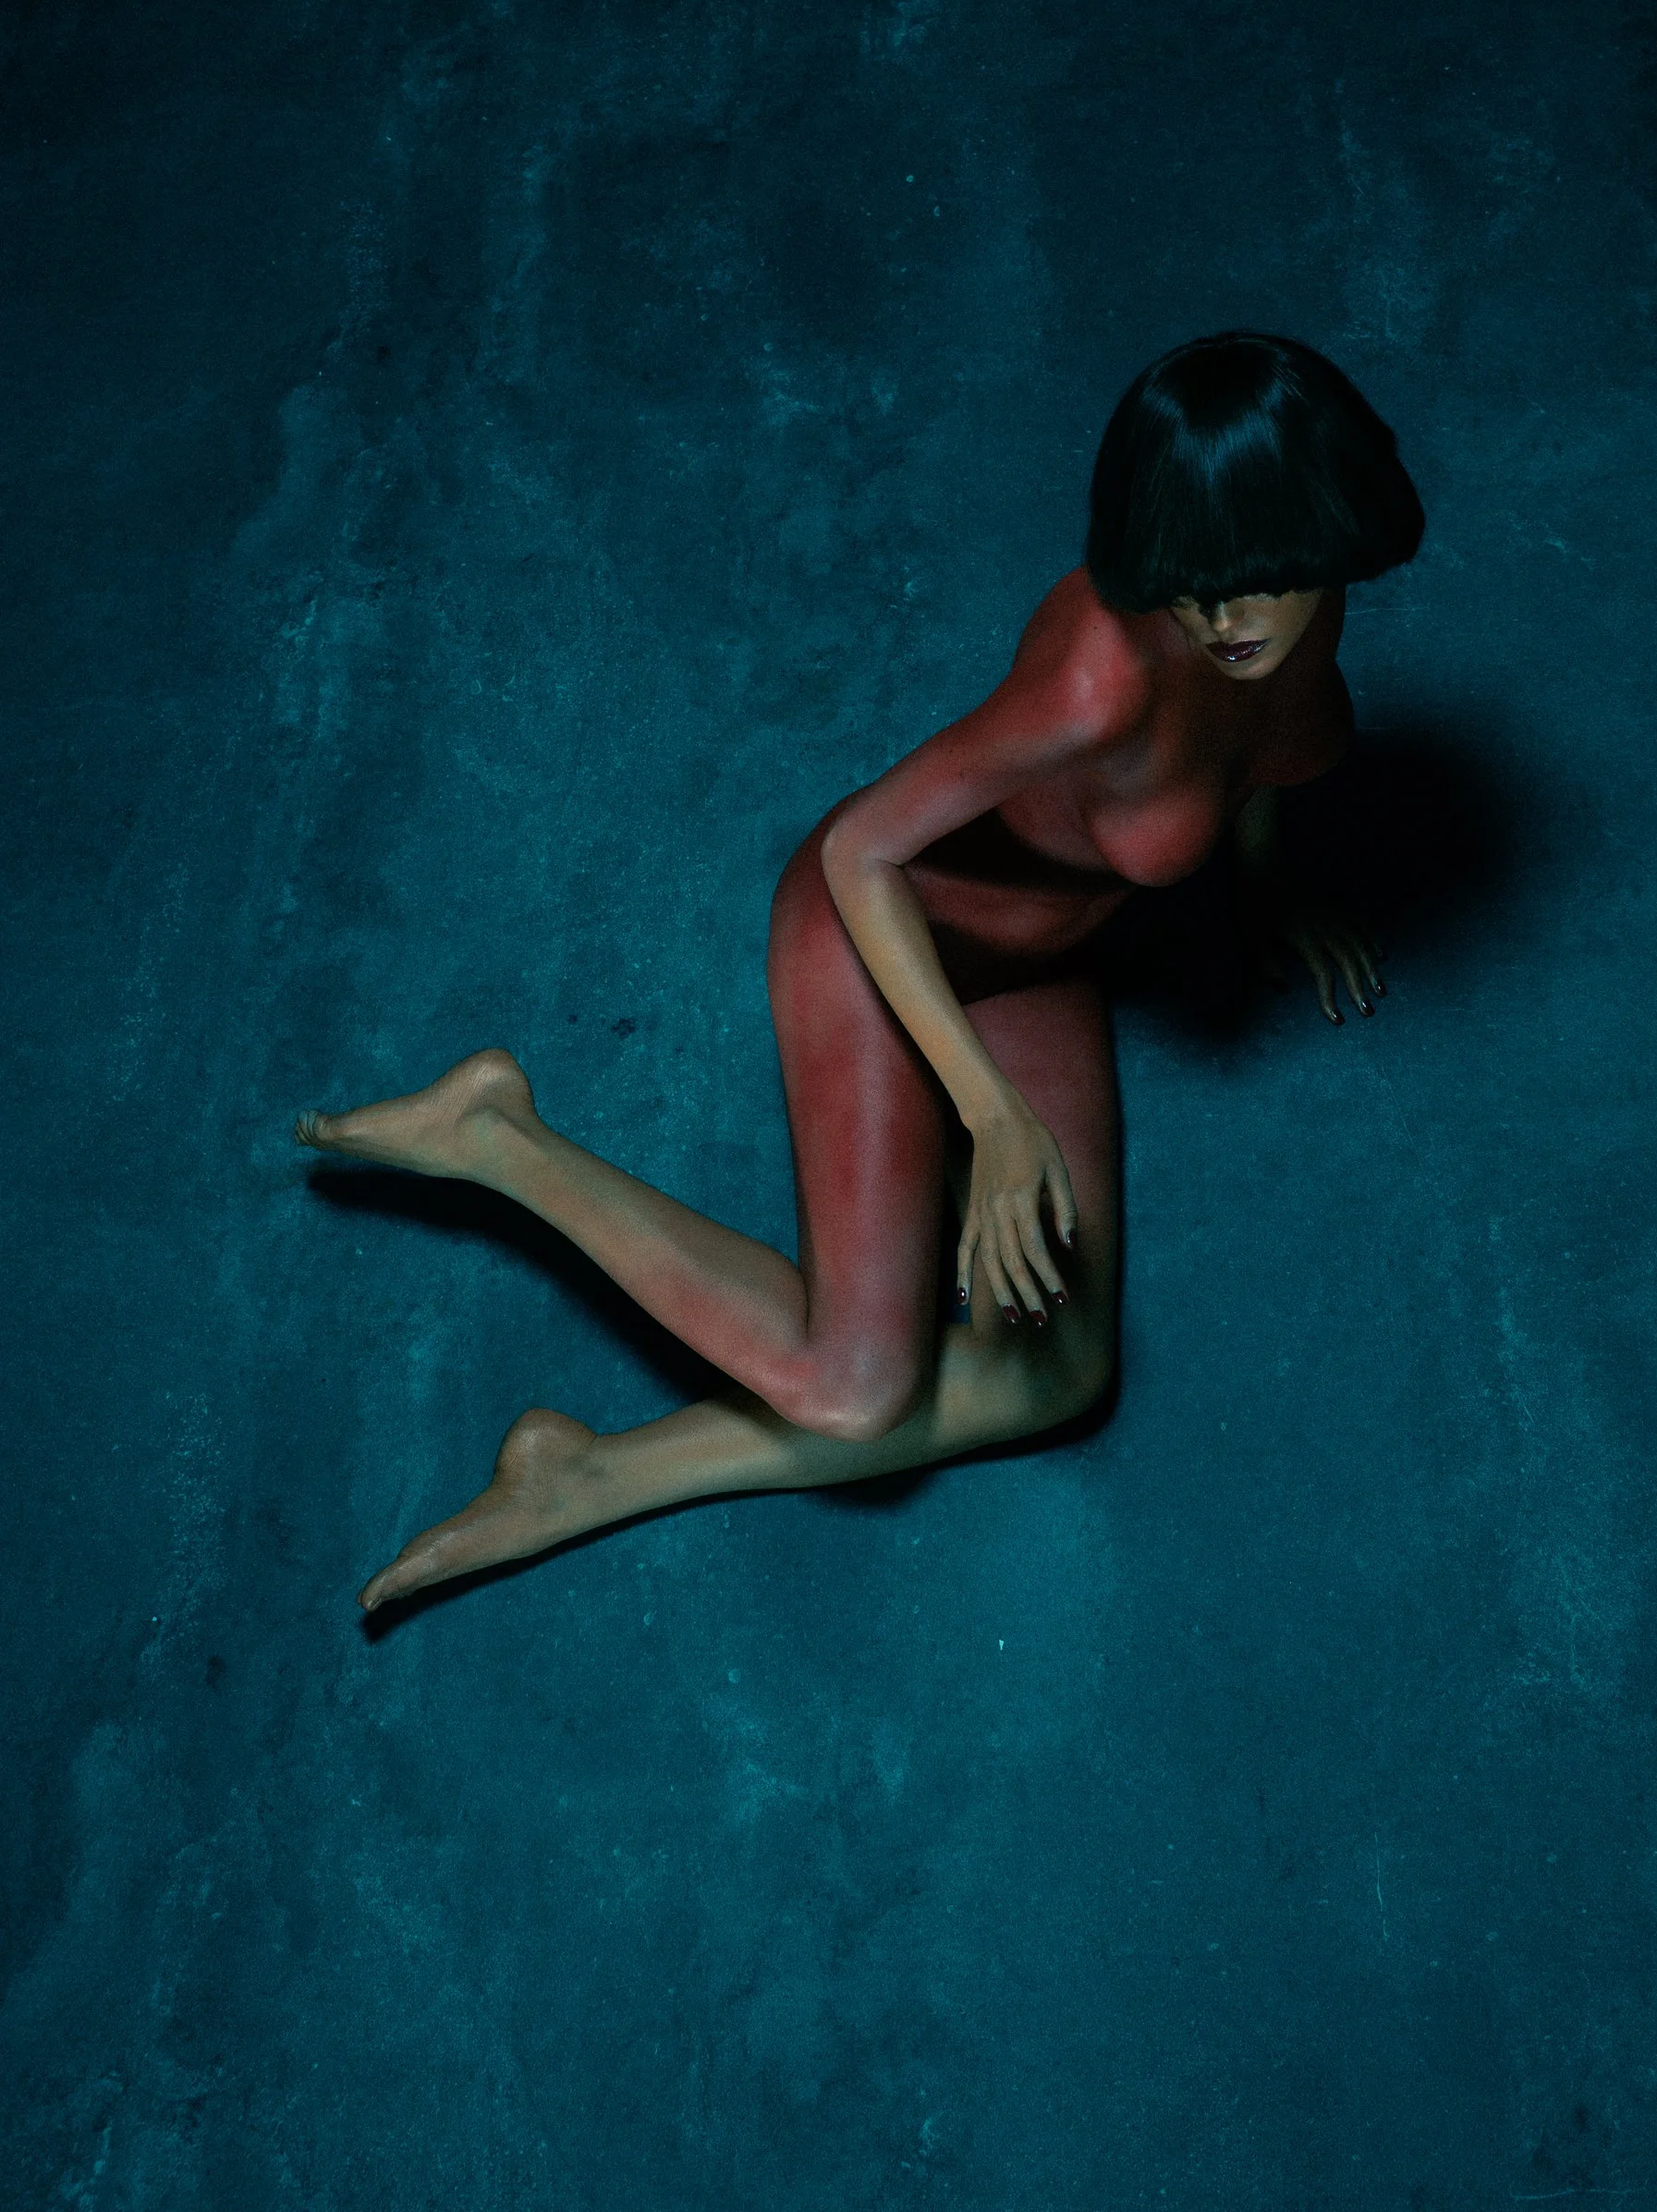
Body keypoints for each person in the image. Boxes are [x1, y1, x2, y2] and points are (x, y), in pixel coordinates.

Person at [299, 332, 1424, 1607]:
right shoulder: (1099, 678)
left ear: (1330, 545)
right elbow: (859, 852)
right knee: (856, 1380)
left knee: (1059, 1374)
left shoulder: (1300, 645)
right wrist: (988, 1115)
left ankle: (585, 1476)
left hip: (1039, 960)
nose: (1225, 618)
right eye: (1196, 582)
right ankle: (502, 1136)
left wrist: (1269, 895)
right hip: (876, 938)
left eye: (1262, 578)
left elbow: (1261, 768)